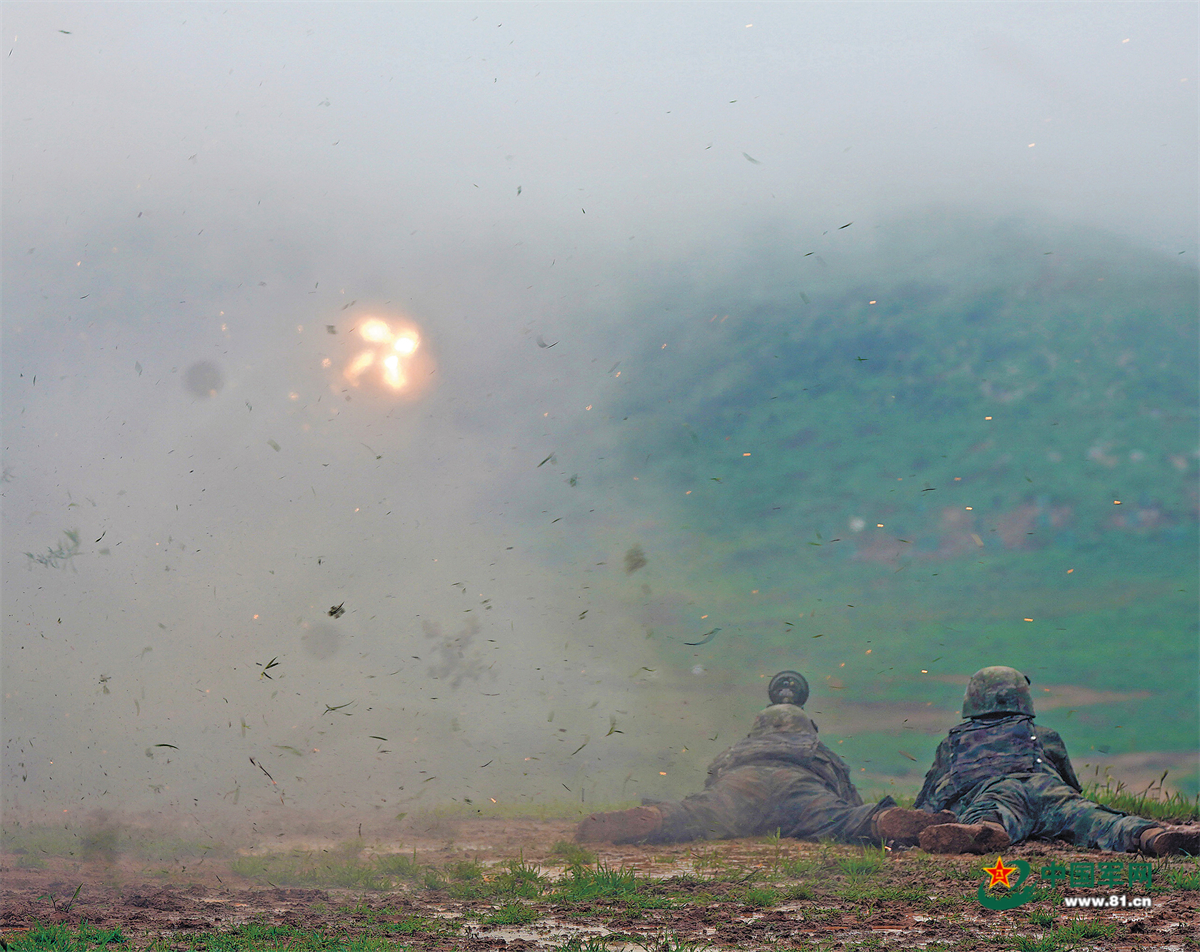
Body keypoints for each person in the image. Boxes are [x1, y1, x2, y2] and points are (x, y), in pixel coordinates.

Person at [577, 670, 952, 846]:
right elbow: (844, 798)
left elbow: (712, 785)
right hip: (801, 789)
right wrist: (864, 815)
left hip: (741, 783)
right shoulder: (816, 750)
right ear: (807, 729)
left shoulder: (740, 748)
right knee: (845, 821)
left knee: (695, 814)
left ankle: (652, 817)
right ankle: (894, 822)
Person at [914, 666, 1199, 856]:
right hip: (1049, 791)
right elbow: (1071, 786)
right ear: (1023, 698)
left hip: (995, 794)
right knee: (1098, 820)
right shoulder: (1043, 735)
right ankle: (1151, 836)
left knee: (990, 818)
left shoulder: (953, 744)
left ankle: (983, 833)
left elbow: (930, 800)